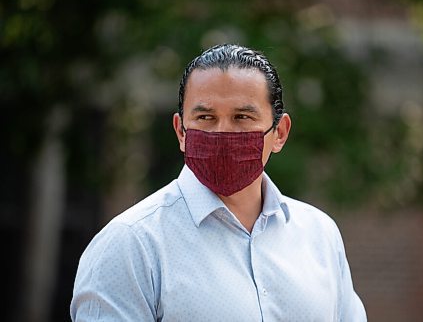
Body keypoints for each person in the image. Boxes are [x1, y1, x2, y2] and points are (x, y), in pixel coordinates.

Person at [70, 43, 367, 321]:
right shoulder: (131, 244)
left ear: (280, 133)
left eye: (242, 117)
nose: (223, 133)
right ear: (181, 132)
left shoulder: (319, 235)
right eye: (205, 117)